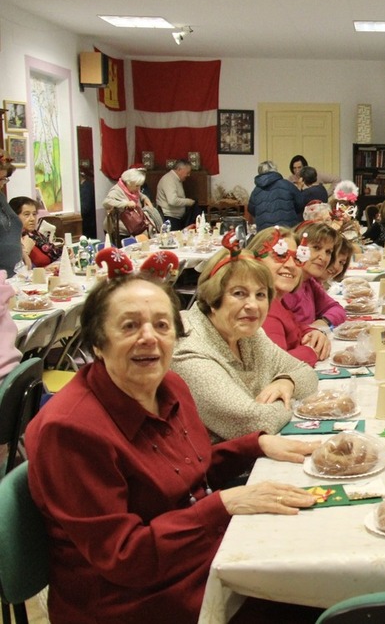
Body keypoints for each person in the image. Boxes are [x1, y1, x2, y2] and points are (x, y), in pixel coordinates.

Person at [24, 273, 319, 623]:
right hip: (135, 602)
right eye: (130, 326)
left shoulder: (170, 387)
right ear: (98, 344)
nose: (149, 337)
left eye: (162, 325)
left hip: (192, 563)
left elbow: (183, 470)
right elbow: (123, 557)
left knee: (315, 549)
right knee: (317, 600)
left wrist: (255, 446)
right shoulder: (70, 429)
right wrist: (222, 505)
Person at [172, 245, 318, 442]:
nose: (253, 306)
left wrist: (287, 382)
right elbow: (255, 423)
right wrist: (293, 400)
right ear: (214, 297)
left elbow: (306, 373)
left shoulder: (250, 334)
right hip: (219, 468)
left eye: (260, 295)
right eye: (239, 293)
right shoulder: (188, 348)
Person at [244, 226, 330, 366]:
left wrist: (311, 332)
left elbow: (292, 325)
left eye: (297, 258)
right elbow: (274, 366)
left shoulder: (276, 300)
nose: (291, 265)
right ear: (255, 261)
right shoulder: (263, 307)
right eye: (281, 255)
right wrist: (310, 351)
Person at [283, 222, 347, 330]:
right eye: (316, 247)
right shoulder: (286, 286)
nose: (323, 257)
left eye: (328, 252)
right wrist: (311, 330)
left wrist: (324, 322)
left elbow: (337, 309)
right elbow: (286, 333)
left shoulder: (309, 282)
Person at [102, 167, 162, 238]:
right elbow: (106, 202)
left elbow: (139, 194)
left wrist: (145, 198)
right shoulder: (116, 191)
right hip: (120, 231)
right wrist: (126, 204)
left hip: (133, 228)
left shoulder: (132, 189)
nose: (139, 188)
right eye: (137, 186)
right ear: (128, 183)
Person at [248, 161, 305, 230]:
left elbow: (251, 210)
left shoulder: (256, 191)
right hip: (287, 230)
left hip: (265, 232)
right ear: (275, 170)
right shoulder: (287, 185)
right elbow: (300, 204)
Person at [10, 196, 61, 268]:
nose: (32, 219)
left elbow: (55, 255)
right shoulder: (12, 240)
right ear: (15, 217)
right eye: (27, 214)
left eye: (34, 214)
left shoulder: (36, 236)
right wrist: (26, 250)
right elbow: (17, 271)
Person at [155, 159, 195, 227]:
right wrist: (189, 202)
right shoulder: (169, 180)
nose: (188, 175)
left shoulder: (176, 179)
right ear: (179, 169)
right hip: (169, 218)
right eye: (187, 172)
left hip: (175, 217)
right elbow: (172, 201)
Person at [0, 158, 22, 276]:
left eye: (3, 179)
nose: (1, 184)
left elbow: (12, 227)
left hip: (13, 272)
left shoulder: (1, 197)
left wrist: (22, 252)